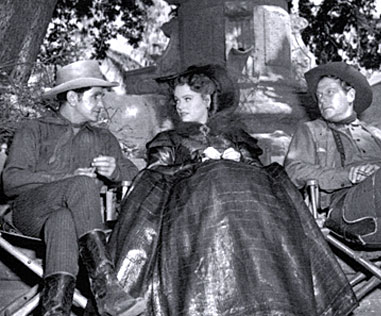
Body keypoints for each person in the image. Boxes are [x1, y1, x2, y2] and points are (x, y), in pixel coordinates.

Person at [90, 64, 357, 316]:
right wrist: (197, 164)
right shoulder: (170, 140)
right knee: (215, 176)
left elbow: (261, 180)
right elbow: (152, 178)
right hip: (191, 216)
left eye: (187, 99)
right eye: (177, 100)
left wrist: (238, 160)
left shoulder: (237, 137)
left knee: (252, 181)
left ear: (207, 100)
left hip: (247, 217)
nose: (179, 106)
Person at [2, 60, 144, 316]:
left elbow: (137, 176)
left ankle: (55, 309)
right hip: (27, 215)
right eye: (96, 97)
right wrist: (66, 178)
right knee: (81, 184)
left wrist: (116, 172)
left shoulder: (104, 138)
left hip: (69, 224)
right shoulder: (33, 129)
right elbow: (11, 181)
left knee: (63, 219)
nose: (102, 104)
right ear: (72, 97)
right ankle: (107, 289)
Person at [285, 61, 381, 251]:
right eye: (319, 96)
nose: (322, 100)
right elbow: (294, 170)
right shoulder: (312, 130)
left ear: (350, 95)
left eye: (329, 92)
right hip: (351, 213)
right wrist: (346, 175)